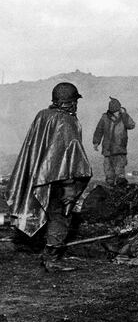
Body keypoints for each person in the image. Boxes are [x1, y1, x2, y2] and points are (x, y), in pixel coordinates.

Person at [6, 82, 92, 272]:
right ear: (68, 103)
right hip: (59, 181)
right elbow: (70, 156)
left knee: (50, 213)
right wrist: (70, 187)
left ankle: (46, 254)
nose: (76, 106)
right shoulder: (68, 122)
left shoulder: (42, 115)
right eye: (74, 102)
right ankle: (52, 259)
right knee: (61, 216)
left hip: (41, 177)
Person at [92, 97, 136, 186]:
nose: (115, 113)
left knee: (120, 171)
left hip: (120, 149)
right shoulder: (105, 117)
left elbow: (131, 125)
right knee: (108, 171)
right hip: (107, 149)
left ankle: (120, 187)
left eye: (116, 110)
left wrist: (124, 114)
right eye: (113, 111)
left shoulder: (124, 117)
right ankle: (110, 187)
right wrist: (96, 142)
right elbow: (99, 129)